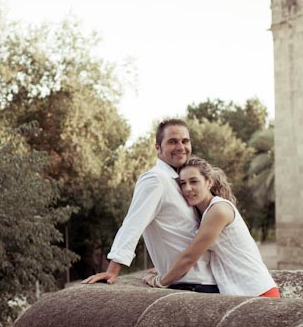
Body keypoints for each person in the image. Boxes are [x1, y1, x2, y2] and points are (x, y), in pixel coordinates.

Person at [82, 120, 218, 293]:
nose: (180, 147)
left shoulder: (183, 182)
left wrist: (164, 264)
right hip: (192, 283)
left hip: (209, 277)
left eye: (185, 141)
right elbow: (134, 223)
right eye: (172, 141)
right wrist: (113, 269)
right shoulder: (155, 180)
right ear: (158, 147)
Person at [141, 157, 280, 298]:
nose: (188, 188)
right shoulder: (204, 213)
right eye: (183, 183)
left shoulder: (218, 210)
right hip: (242, 293)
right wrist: (168, 268)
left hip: (260, 292)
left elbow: (190, 256)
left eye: (194, 181)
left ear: (208, 182)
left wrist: (160, 281)